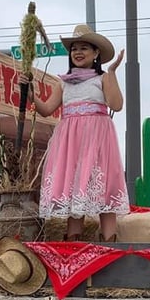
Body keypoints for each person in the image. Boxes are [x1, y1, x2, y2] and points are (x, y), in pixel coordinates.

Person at [29, 24, 129, 242]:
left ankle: (109, 247)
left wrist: (111, 73)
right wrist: (30, 94)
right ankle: (74, 249)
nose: (78, 52)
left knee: (102, 190)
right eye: (74, 48)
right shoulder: (63, 83)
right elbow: (46, 109)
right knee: (75, 193)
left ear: (96, 54)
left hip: (98, 141)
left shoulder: (102, 78)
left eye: (84, 47)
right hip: (70, 143)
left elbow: (117, 104)